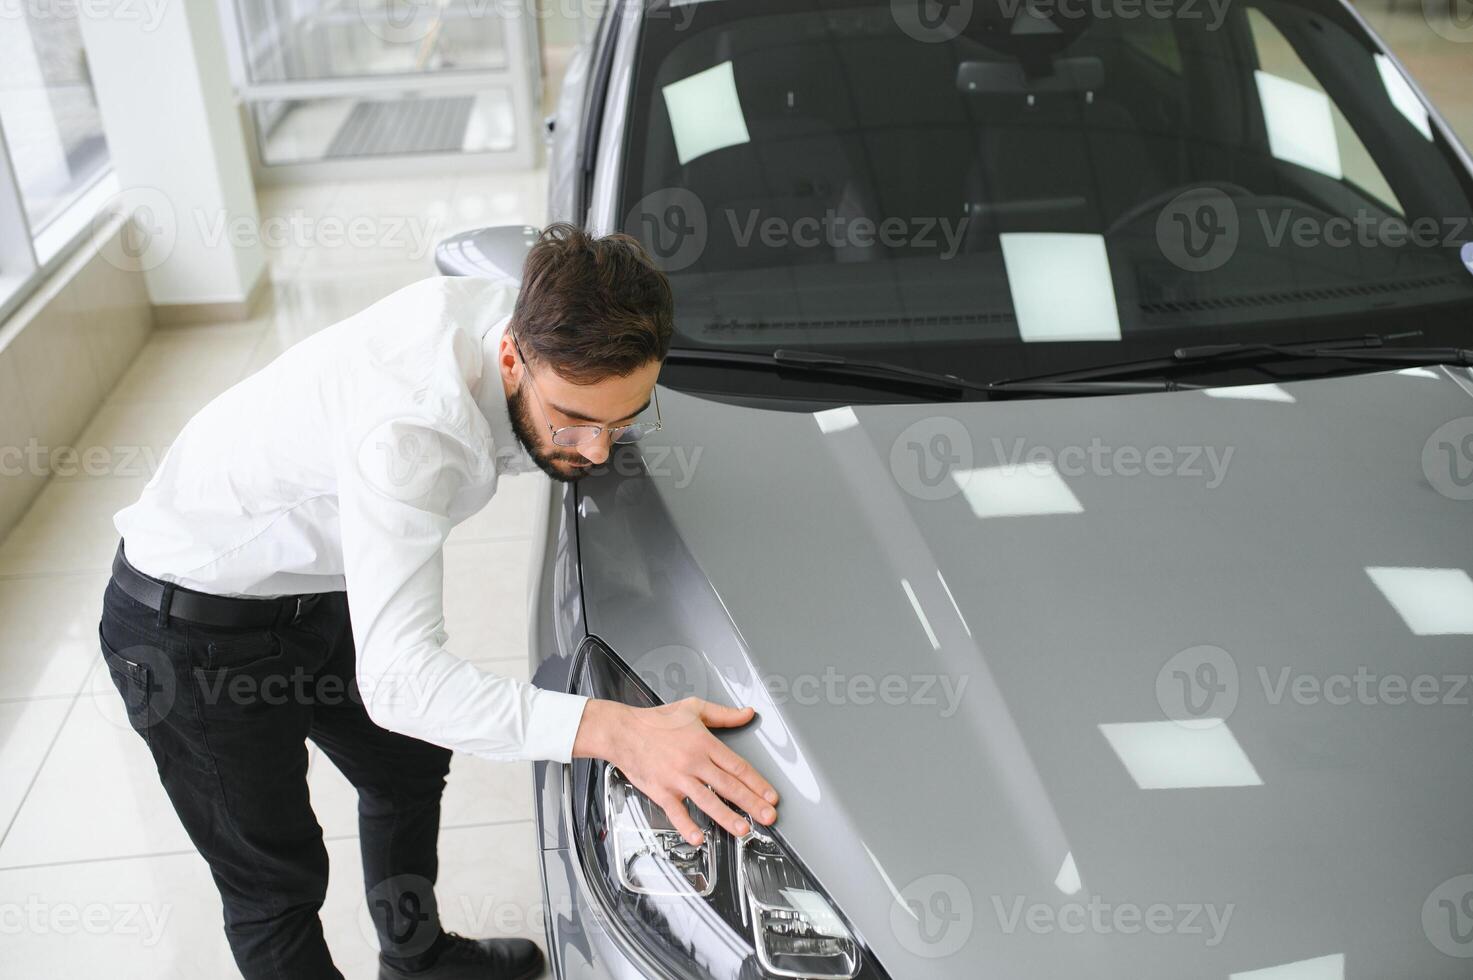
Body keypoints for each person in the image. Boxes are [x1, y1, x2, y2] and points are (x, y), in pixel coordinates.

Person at [98, 224, 778, 980]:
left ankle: (414, 958)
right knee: (275, 885)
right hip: (187, 632)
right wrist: (616, 731)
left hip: (308, 590)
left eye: (621, 420)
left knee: (407, 766)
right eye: (574, 420)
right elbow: (399, 684)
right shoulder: (410, 432)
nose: (595, 451)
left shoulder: (522, 314)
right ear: (512, 358)